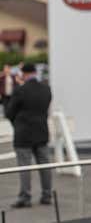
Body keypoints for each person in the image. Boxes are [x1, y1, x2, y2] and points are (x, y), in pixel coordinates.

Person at [4, 63, 52, 208]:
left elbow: (9, 112)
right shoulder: (46, 89)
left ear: (24, 74)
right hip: (41, 132)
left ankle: (25, 197)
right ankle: (47, 195)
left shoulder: (20, 90)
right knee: (45, 165)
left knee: (24, 167)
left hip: (23, 134)